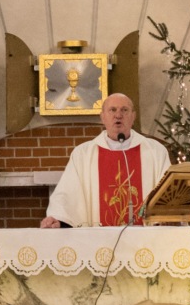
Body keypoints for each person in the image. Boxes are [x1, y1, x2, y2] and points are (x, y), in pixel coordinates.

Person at [41, 94, 171, 227]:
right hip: (98, 237)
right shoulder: (83, 154)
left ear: (133, 116)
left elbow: (167, 193)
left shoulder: (155, 151)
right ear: (102, 117)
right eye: (112, 110)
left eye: (124, 110)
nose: (118, 115)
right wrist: (58, 218)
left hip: (144, 237)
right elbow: (67, 193)